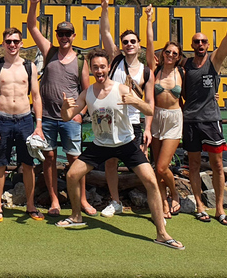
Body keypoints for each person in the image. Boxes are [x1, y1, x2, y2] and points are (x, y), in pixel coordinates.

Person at [57, 49, 184, 251]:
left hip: (126, 143)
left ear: (108, 67)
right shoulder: (87, 92)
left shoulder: (122, 88)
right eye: (95, 67)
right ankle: (76, 216)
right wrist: (65, 107)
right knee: (72, 174)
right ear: (91, 69)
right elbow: (67, 117)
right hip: (101, 145)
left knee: (151, 181)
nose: (99, 71)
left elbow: (150, 110)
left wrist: (136, 101)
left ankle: (162, 234)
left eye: (102, 66)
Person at [183, 1, 227, 226]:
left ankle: (219, 209)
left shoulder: (214, 61)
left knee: (218, 165)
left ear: (207, 44)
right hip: (190, 121)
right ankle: (200, 206)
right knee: (192, 165)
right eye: (196, 41)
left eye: (203, 41)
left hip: (211, 120)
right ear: (191, 44)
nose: (200, 44)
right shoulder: (185, 65)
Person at [27, 0, 93, 217]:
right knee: (50, 158)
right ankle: (54, 200)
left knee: (76, 159)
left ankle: (82, 199)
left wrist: (81, 114)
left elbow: (86, 91)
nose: (64, 37)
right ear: (56, 36)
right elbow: (32, 27)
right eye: (60, 34)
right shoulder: (50, 52)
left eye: (67, 34)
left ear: (73, 36)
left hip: (70, 120)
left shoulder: (81, 60)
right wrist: (34, 4)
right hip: (46, 117)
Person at [98, 0, 155, 218]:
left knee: (142, 165)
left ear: (139, 45)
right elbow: (105, 31)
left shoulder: (146, 70)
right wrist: (105, 8)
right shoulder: (115, 59)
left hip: (134, 123)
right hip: (112, 120)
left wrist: (148, 128)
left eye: (133, 41)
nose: (129, 44)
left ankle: (153, 201)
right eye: (126, 42)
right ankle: (115, 201)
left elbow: (149, 102)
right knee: (111, 162)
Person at [0, 28, 45, 222]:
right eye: (9, 41)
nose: (12, 45)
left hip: (25, 119)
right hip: (2, 119)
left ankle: (30, 205)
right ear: (3, 43)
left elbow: (36, 97)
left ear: (21, 43)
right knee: (0, 164)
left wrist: (38, 125)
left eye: (16, 41)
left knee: (28, 164)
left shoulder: (29, 67)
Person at [144, 5, 185, 218]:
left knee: (161, 167)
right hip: (156, 117)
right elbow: (149, 44)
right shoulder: (155, 69)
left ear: (178, 57)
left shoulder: (182, 72)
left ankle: (175, 193)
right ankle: (163, 204)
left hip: (174, 119)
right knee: (155, 166)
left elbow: (192, 94)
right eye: (167, 52)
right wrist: (149, 19)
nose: (170, 55)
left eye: (174, 53)